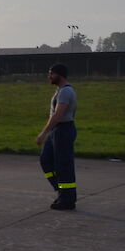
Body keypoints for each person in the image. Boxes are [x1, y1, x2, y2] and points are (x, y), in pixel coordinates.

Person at [36, 63, 78, 211]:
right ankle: (61, 190)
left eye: (51, 74)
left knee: (63, 166)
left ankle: (68, 200)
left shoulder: (66, 92)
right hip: (57, 131)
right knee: (46, 160)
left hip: (63, 130)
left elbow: (58, 115)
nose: (49, 76)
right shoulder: (59, 91)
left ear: (59, 75)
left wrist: (43, 133)